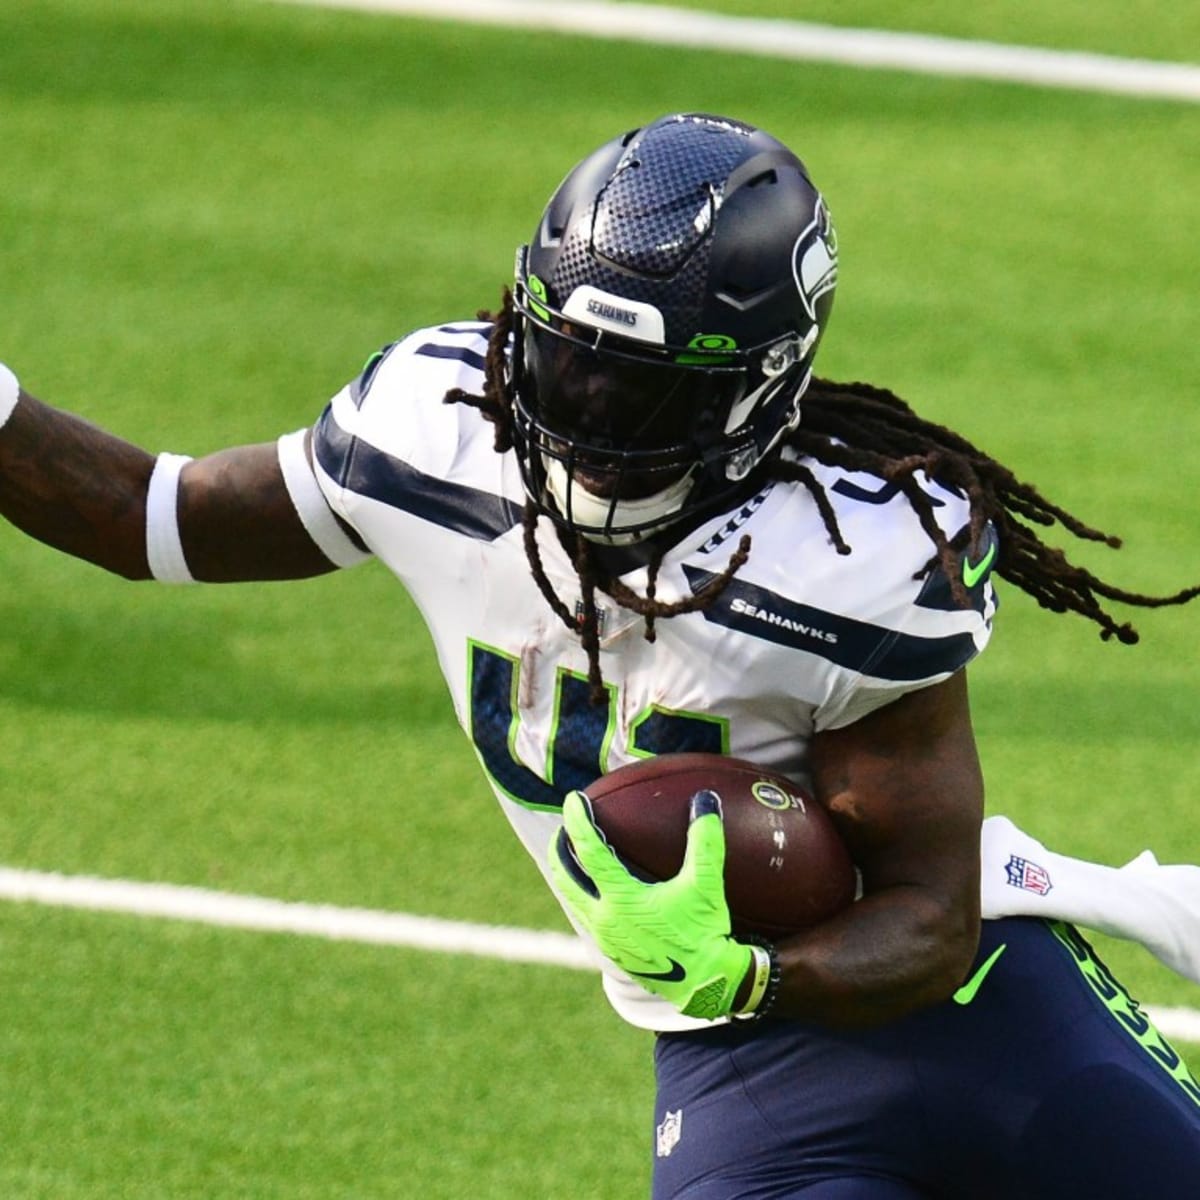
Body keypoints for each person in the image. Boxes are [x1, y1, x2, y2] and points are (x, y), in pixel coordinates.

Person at [2, 111, 1198, 1197]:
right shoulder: (441, 435)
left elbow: (931, 920)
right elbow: (150, 518)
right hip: (745, 1078)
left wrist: (752, 976)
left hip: (983, 1011)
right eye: (568, 356)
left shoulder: (855, 556)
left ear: (762, 388)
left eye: (640, 388)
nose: (584, 410)